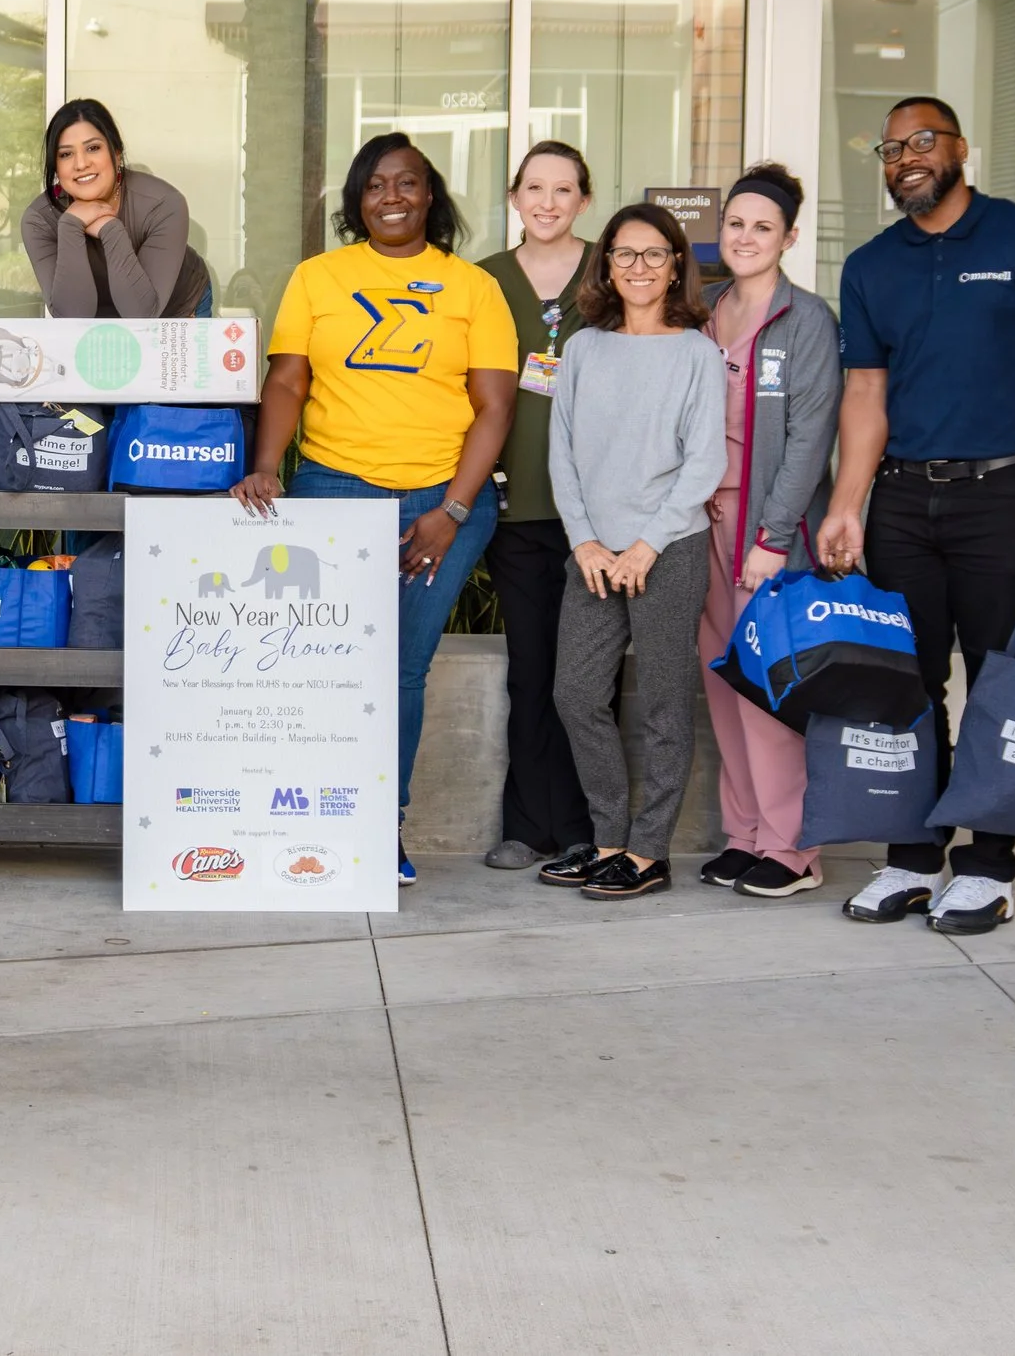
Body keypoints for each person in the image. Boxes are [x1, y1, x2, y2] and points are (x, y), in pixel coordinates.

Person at [816, 97, 1015, 934]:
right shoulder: (871, 265)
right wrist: (846, 503)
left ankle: (988, 864)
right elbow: (865, 392)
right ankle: (913, 856)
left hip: (1004, 493)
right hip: (902, 497)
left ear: (960, 147)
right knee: (906, 681)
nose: (905, 157)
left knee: (1000, 680)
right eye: (891, 147)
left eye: (921, 140)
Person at [229, 132, 517, 889]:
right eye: (375, 186)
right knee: (324, 669)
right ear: (357, 202)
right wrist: (266, 467)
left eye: (408, 183)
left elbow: (493, 407)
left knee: (397, 670)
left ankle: (378, 827)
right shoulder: (318, 278)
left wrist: (451, 511)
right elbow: (288, 381)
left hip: (440, 503)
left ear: (432, 196)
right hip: (335, 492)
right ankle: (306, 820)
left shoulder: (472, 289)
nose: (392, 196)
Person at [540, 203, 726, 902]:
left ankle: (649, 851)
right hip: (593, 549)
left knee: (664, 704)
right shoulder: (584, 347)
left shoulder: (698, 354)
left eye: (654, 254)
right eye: (625, 254)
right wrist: (585, 538)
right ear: (607, 264)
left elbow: (702, 462)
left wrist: (645, 545)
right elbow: (562, 450)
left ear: (677, 263)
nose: (639, 267)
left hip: (668, 548)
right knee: (577, 692)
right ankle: (609, 835)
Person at [694, 163, 840, 900]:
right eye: (736, 224)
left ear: (788, 236)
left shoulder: (806, 319)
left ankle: (792, 847)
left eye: (763, 226)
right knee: (723, 683)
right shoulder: (704, 309)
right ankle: (745, 832)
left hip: (764, 533)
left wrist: (773, 536)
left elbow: (812, 437)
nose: (746, 237)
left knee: (771, 691)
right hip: (701, 526)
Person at [474, 141, 598, 872]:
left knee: (586, 677)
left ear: (585, 198)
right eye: (534, 188)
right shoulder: (483, 280)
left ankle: (585, 823)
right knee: (530, 669)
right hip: (515, 503)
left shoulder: (611, 275)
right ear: (514, 196)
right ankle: (527, 825)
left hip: (598, 512)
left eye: (564, 189)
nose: (548, 202)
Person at [19, 99, 212, 318]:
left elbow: (142, 314)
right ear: (56, 167)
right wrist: (70, 225)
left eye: (93, 148)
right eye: (66, 154)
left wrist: (109, 227)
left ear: (117, 153)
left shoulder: (163, 204)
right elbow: (71, 319)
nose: (81, 164)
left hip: (176, 310)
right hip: (99, 320)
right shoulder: (39, 220)